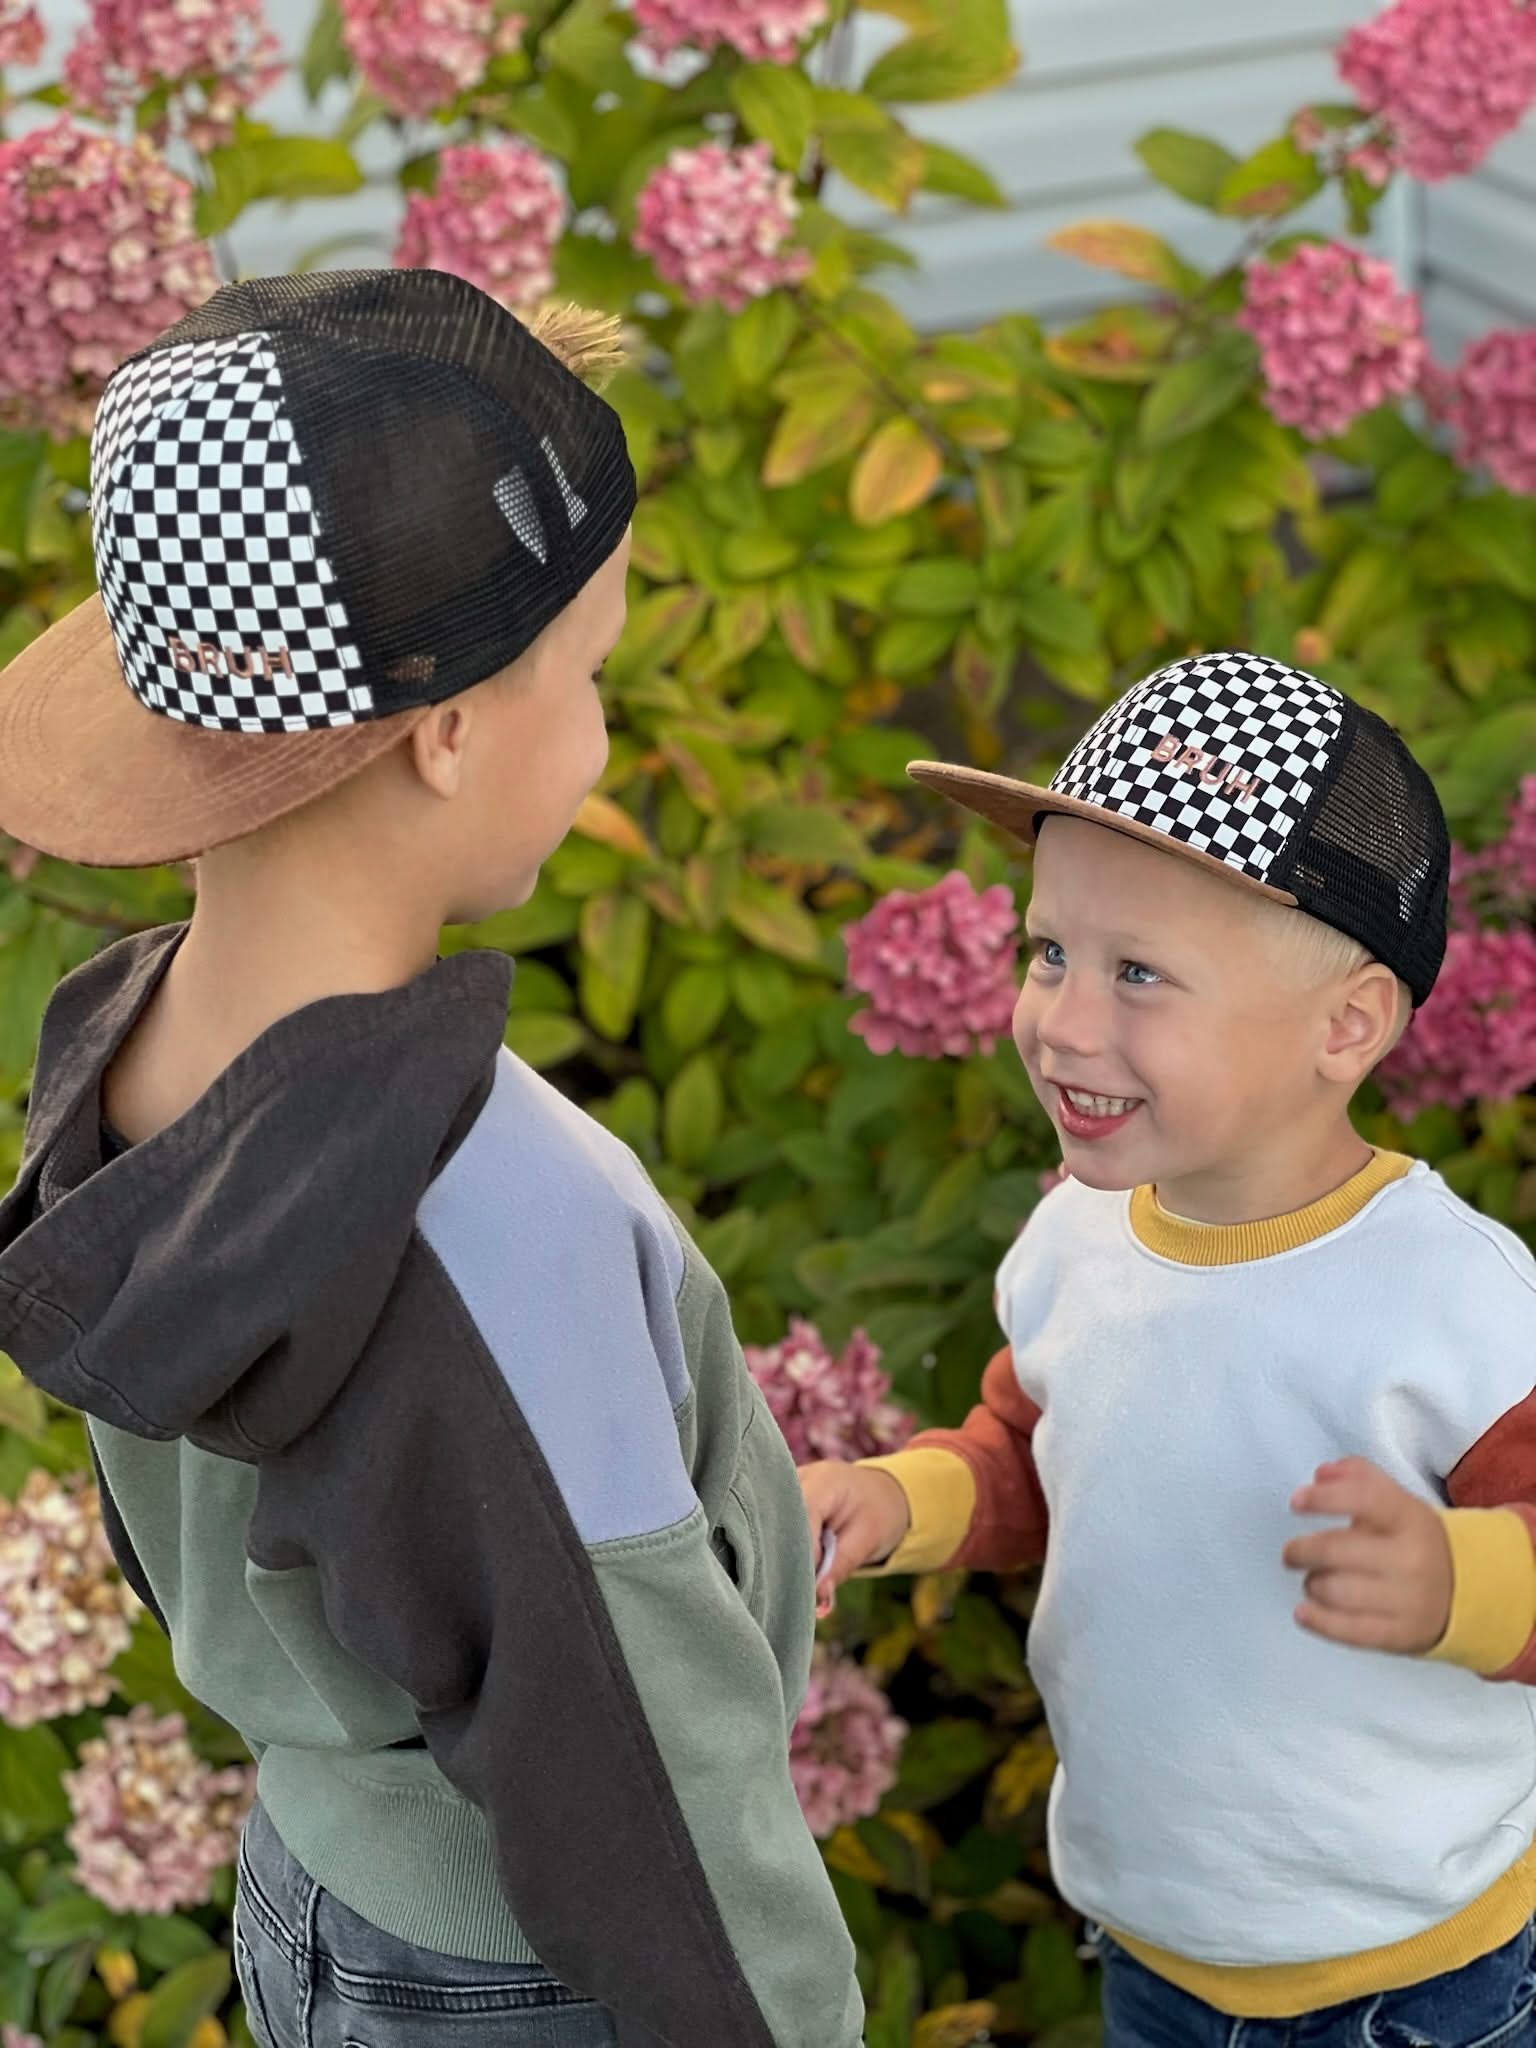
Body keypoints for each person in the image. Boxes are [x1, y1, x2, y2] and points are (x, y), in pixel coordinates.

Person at [0, 268, 862, 2048]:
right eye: (597, 676)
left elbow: (193, 1539)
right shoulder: (496, 1218)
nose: (605, 728)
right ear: (454, 729)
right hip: (538, 1965)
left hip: (316, 1889)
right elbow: (640, 1762)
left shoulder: (117, 1050)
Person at [802, 650, 1536, 2048]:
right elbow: (1030, 1449)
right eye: (1052, 952)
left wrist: (1463, 1576)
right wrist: (900, 1497)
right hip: (1156, 1940)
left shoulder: (1457, 1304)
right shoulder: (1080, 1236)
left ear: (1348, 1024)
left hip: (1408, 1976)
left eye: (1141, 973)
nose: (1065, 1020)